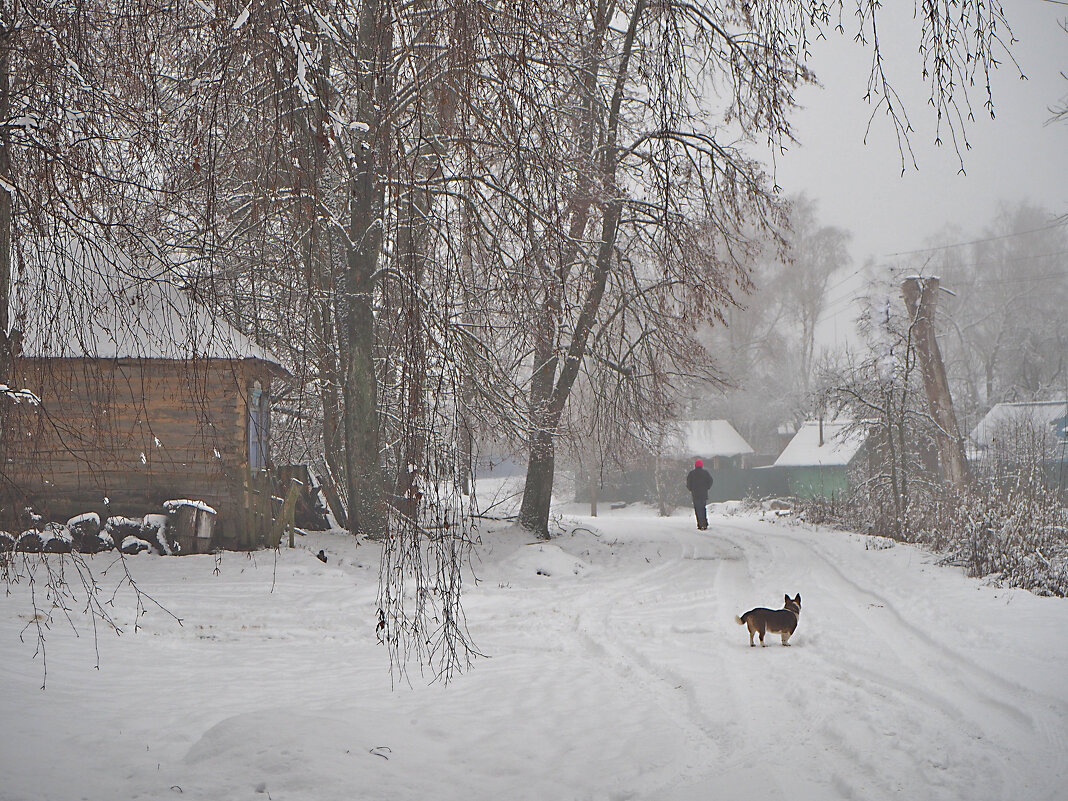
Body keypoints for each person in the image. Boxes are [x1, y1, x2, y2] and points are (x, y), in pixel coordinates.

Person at [686, 459, 713, 530]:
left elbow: (688, 483)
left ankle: (700, 524)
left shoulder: (692, 474)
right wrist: (707, 487)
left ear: (695, 466)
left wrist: (691, 489)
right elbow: (710, 481)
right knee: (703, 508)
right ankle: (705, 523)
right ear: (701, 465)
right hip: (703, 494)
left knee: (698, 509)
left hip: (695, 494)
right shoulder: (705, 473)